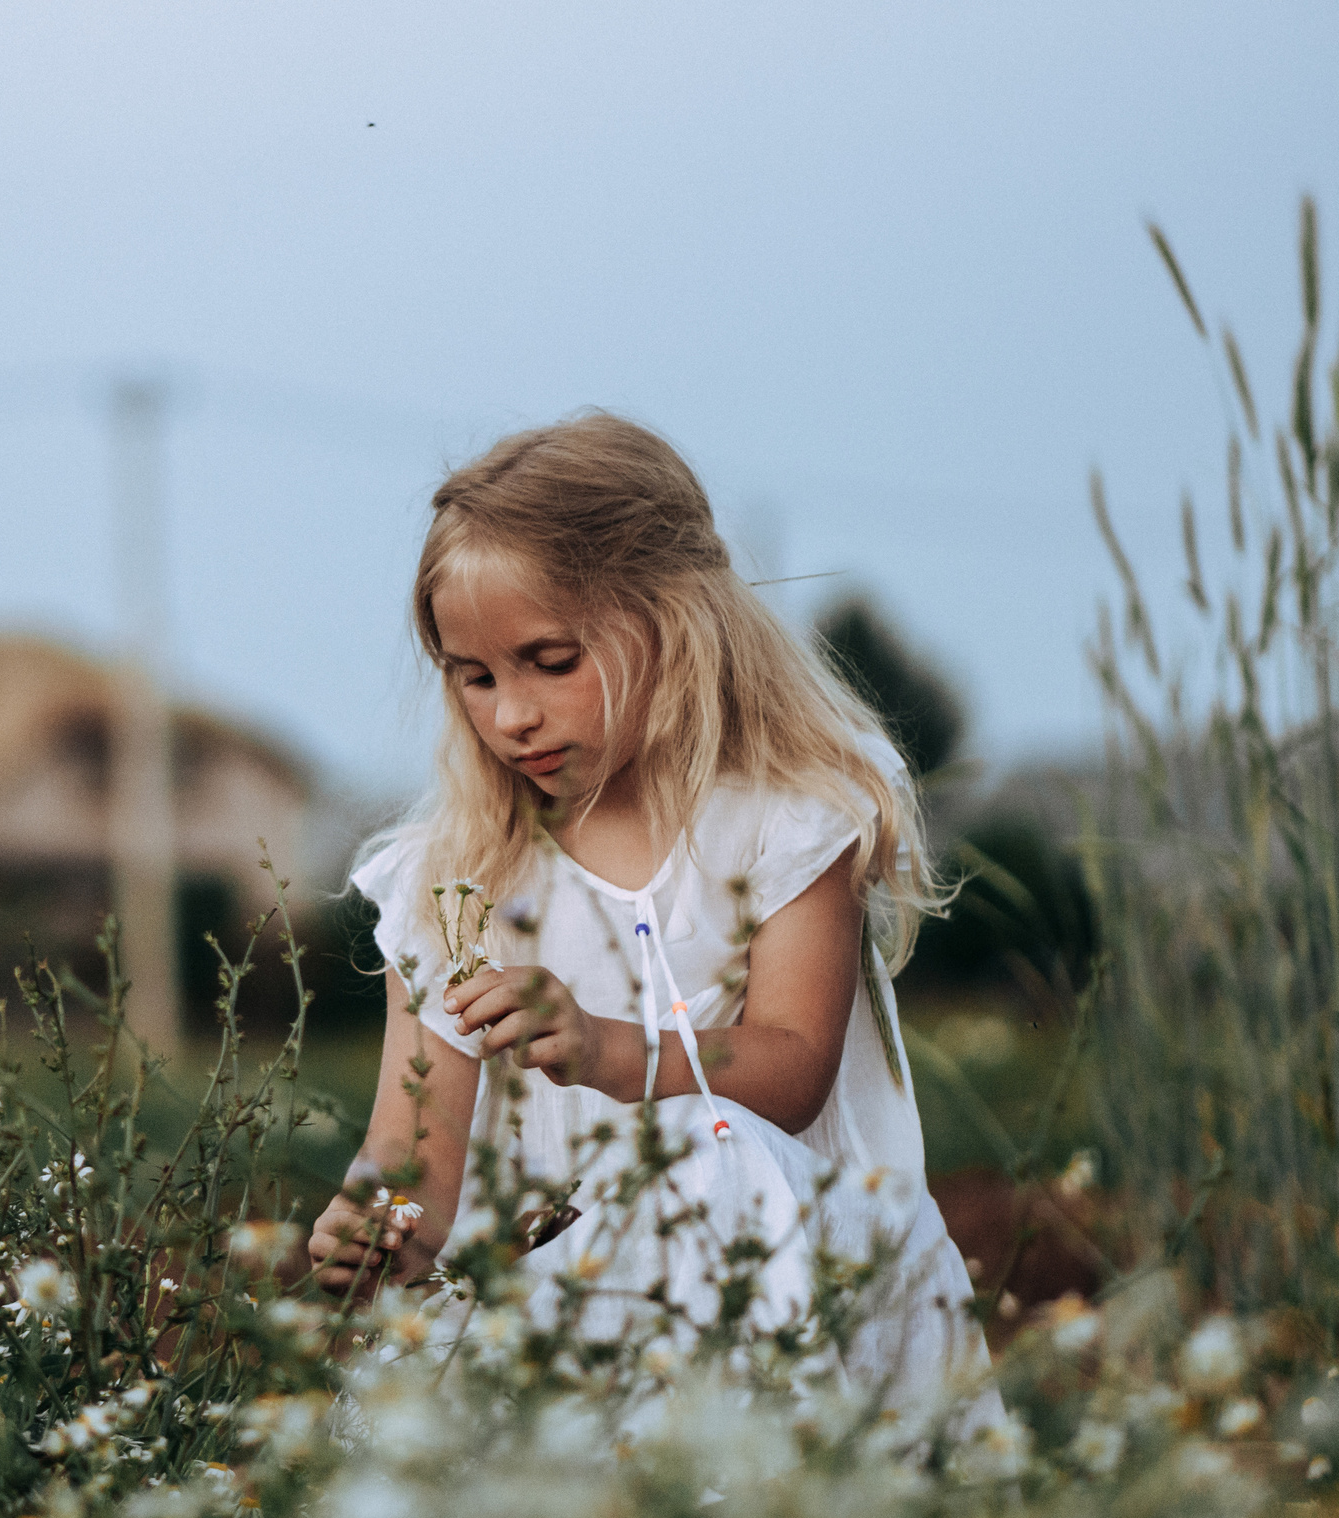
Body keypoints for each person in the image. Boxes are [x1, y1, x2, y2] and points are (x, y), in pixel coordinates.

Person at [307, 412, 996, 1423]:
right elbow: (416, 1148)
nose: (511, 715)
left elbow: (792, 1069)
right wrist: (382, 1216)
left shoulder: (788, 819)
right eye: (475, 677)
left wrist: (603, 1048)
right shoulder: (454, 880)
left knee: (700, 1145)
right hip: (565, 1283)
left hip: (791, 1261)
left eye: (551, 660)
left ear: (671, 623)